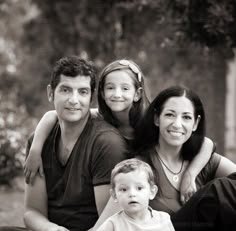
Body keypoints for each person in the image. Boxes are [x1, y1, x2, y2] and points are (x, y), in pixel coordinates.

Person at [0, 56, 128, 231]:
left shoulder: (106, 143)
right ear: (51, 93)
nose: (74, 100)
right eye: (66, 90)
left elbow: (109, 223)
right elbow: (31, 211)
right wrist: (50, 230)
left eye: (82, 92)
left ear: (91, 97)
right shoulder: (38, 143)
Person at [24, 59, 214, 203]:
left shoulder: (149, 120)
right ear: (102, 93)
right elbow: (52, 115)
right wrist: (35, 150)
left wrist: (190, 175)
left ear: (137, 93)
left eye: (125, 88)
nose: (117, 94)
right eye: (110, 88)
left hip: (158, 180)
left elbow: (206, 143)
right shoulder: (102, 117)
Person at [134, 85, 236, 231]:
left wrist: (191, 174)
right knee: (219, 191)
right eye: (170, 115)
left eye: (187, 117)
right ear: (156, 118)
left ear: (196, 123)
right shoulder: (141, 166)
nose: (177, 124)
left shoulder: (202, 160)